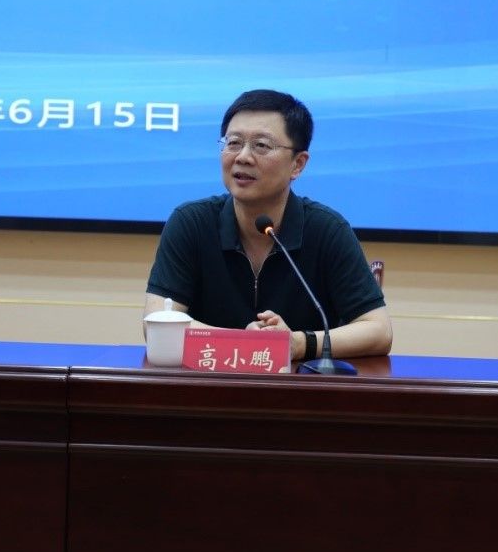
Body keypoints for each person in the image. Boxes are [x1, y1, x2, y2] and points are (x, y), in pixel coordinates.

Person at [144, 89, 392, 361]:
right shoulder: (191, 223)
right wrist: (246, 345)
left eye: (261, 145)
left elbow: (378, 331)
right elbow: (157, 323)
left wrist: (297, 343)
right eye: (233, 142)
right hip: (209, 383)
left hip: (299, 385)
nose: (242, 157)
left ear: (298, 164)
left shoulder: (326, 230)